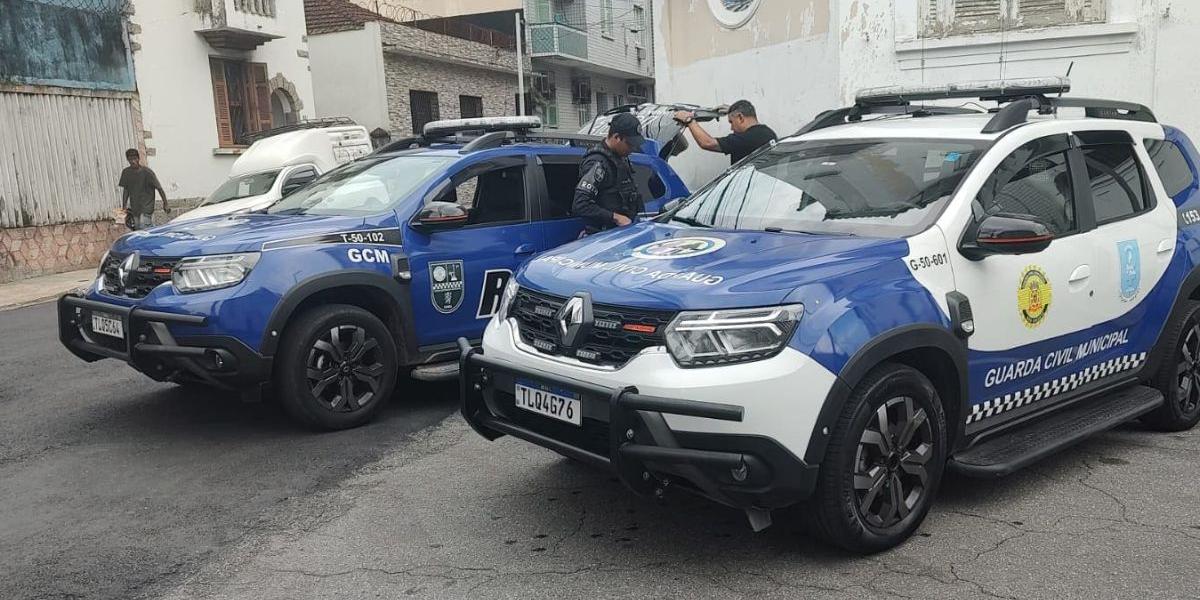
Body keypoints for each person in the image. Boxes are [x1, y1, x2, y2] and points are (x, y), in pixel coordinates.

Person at [572, 112, 646, 234]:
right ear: (617, 137)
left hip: (624, 234)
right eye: (630, 144)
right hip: (604, 238)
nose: (633, 148)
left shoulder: (620, 157)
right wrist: (615, 217)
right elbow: (580, 204)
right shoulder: (598, 163)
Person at [674, 99, 777, 165]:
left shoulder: (747, 138)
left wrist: (689, 121)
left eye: (731, 122)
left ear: (740, 117)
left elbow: (708, 143)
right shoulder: (768, 134)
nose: (731, 128)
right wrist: (731, 111)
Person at [118, 148, 168, 230]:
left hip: (147, 206)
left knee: (144, 224)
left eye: (134, 159)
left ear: (138, 159)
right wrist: (124, 206)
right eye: (130, 159)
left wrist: (165, 203)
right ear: (127, 160)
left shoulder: (147, 173)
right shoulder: (126, 173)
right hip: (135, 207)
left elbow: (159, 188)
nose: (133, 161)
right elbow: (126, 190)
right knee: (137, 228)